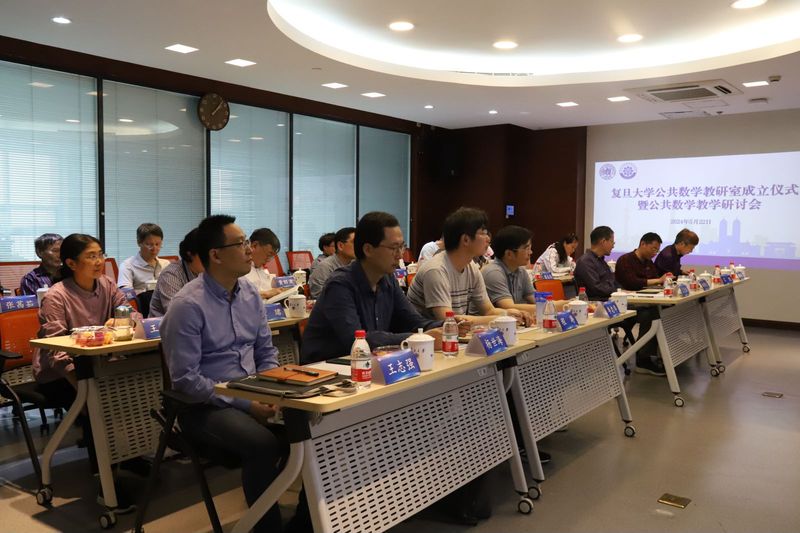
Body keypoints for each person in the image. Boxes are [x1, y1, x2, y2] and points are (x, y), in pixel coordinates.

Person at [160, 214, 295, 533]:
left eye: (247, 242)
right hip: (203, 407)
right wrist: (247, 403)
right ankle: (265, 527)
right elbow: (187, 380)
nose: (249, 250)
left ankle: (306, 521)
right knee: (263, 445)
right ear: (216, 255)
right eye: (240, 244)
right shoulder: (187, 305)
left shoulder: (249, 293)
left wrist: (268, 392)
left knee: (312, 429)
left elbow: (265, 352)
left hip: (251, 392)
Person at [34, 233, 135, 510]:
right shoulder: (56, 296)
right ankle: (105, 481)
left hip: (99, 367)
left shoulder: (107, 285)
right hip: (59, 375)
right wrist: (83, 387)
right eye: (91, 256)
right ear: (71, 263)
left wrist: (123, 319)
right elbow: (56, 352)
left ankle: (129, 456)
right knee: (97, 403)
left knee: (132, 390)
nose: (99, 261)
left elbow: (132, 314)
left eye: (101, 254)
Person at [301, 212, 460, 363]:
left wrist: (449, 325)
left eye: (402, 247)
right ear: (368, 249)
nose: (400, 255)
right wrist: (414, 338)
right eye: (393, 248)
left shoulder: (387, 280)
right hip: (328, 369)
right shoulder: (340, 285)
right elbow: (356, 340)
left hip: (370, 363)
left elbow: (412, 321)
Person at [407, 207, 530, 326]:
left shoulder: (471, 267)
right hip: (425, 336)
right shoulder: (436, 270)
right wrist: (501, 318)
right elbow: (448, 321)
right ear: (466, 239)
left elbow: (488, 310)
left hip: (454, 335)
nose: (488, 239)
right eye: (483, 233)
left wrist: (510, 314)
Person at [613, 233, 667, 377]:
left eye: (657, 250)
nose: (655, 253)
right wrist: (657, 281)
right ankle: (643, 360)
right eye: (653, 249)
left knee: (666, 309)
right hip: (626, 303)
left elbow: (655, 279)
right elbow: (632, 283)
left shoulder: (648, 262)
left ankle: (663, 351)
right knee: (651, 314)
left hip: (644, 299)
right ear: (643, 244)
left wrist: (660, 282)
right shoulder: (625, 260)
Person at [482, 225, 567, 316]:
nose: (531, 252)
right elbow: (508, 307)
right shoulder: (494, 273)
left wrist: (561, 304)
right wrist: (556, 306)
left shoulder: (520, 271)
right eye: (527, 249)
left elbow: (535, 299)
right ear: (509, 254)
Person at [148, 228, 204, 317]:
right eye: (205, 254)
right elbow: (178, 314)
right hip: (163, 324)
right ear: (190, 254)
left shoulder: (210, 273)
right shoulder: (171, 275)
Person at [118, 223, 170, 294]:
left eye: (157, 244)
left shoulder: (166, 264)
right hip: (141, 300)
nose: (154, 249)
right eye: (149, 245)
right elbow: (126, 294)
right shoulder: (127, 266)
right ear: (139, 243)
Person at [308, 226, 356, 299]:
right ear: (340, 246)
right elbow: (318, 295)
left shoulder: (356, 264)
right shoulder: (325, 266)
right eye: (354, 242)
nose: (359, 246)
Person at [573, 226, 619, 300]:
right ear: (603, 241)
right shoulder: (585, 262)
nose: (613, 246)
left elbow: (612, 281)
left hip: (608, 299)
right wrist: (616, 290)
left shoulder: (600, 260)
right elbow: (597, 288)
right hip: (596, 303)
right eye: (612, 242)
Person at [242, 227, 290, 300]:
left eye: (272, 256)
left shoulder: (261, 270)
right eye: (268, 254)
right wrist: (266, 294)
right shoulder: (239, 269)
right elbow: (239, 296)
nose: (269, 260)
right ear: (254, 245)